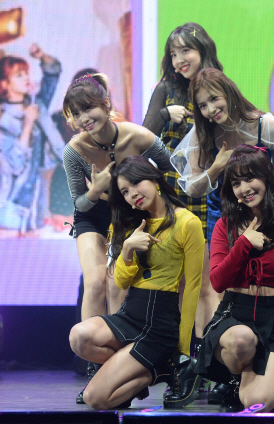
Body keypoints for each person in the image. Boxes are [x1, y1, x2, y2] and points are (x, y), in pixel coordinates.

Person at [62, 73, 172, 403]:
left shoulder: (138, 136)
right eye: (76, 114)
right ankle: (98, 368)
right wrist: (95, 190)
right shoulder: (74, 151)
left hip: (129, 214)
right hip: (93, 215)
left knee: (116, 285)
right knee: (95, 282)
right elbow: (79, 203)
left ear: (106, 104)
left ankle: (126, 361)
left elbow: (170, 171)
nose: (84, 119)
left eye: (88, 109)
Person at [69, 155, 204, 409]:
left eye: (136, 183)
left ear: (155, 180)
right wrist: (128, 249)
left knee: (94, 399)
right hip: (130, 316)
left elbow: (193, 287)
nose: (132, 194)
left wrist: (183, 352)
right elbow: (121, 281)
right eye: (125, 192)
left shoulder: (188, 222)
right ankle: (147, 369)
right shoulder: (131, 223)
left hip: (158, 325)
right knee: (79, 336)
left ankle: (159, 369)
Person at [195, 144, 274, 412]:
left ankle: (253, 385)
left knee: (257, 405)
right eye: (236, 183)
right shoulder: (225, 225)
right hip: (232, 316)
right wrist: (244, 243)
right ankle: (234, 377)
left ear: (266, 177)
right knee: (242, 340)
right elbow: (217, 281)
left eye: (250, 178)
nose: (244, 188)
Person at [142, 22, 223, 400]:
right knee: (178, 287)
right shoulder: (166, 89)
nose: (179, 60)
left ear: (203, 50)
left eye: (185, 51)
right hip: (172, 197)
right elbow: (141, 138)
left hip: (207, 195)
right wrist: (164, 114)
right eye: (173, 54)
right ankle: (181, 364)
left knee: (207, 285)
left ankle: (209, 365)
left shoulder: (217, 86)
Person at [171, 67, 274, 246]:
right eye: (203, 106)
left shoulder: (267, 126)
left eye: (214, 99)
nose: (211, 109)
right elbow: (193, 189)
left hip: (264, 215)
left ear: (228, 92)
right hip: (222, 218)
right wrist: (215, 168)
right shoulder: (203, 133)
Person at [0, 43, 64, 233]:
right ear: (4, 84)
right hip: (10, 205)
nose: (26, 78)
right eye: (19, 75)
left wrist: (41, 56)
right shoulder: (4, 118)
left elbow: (53, 74)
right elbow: (15, 164)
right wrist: (28, 125)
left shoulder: (37, 104)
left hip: (36, 204)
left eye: (26, 73)